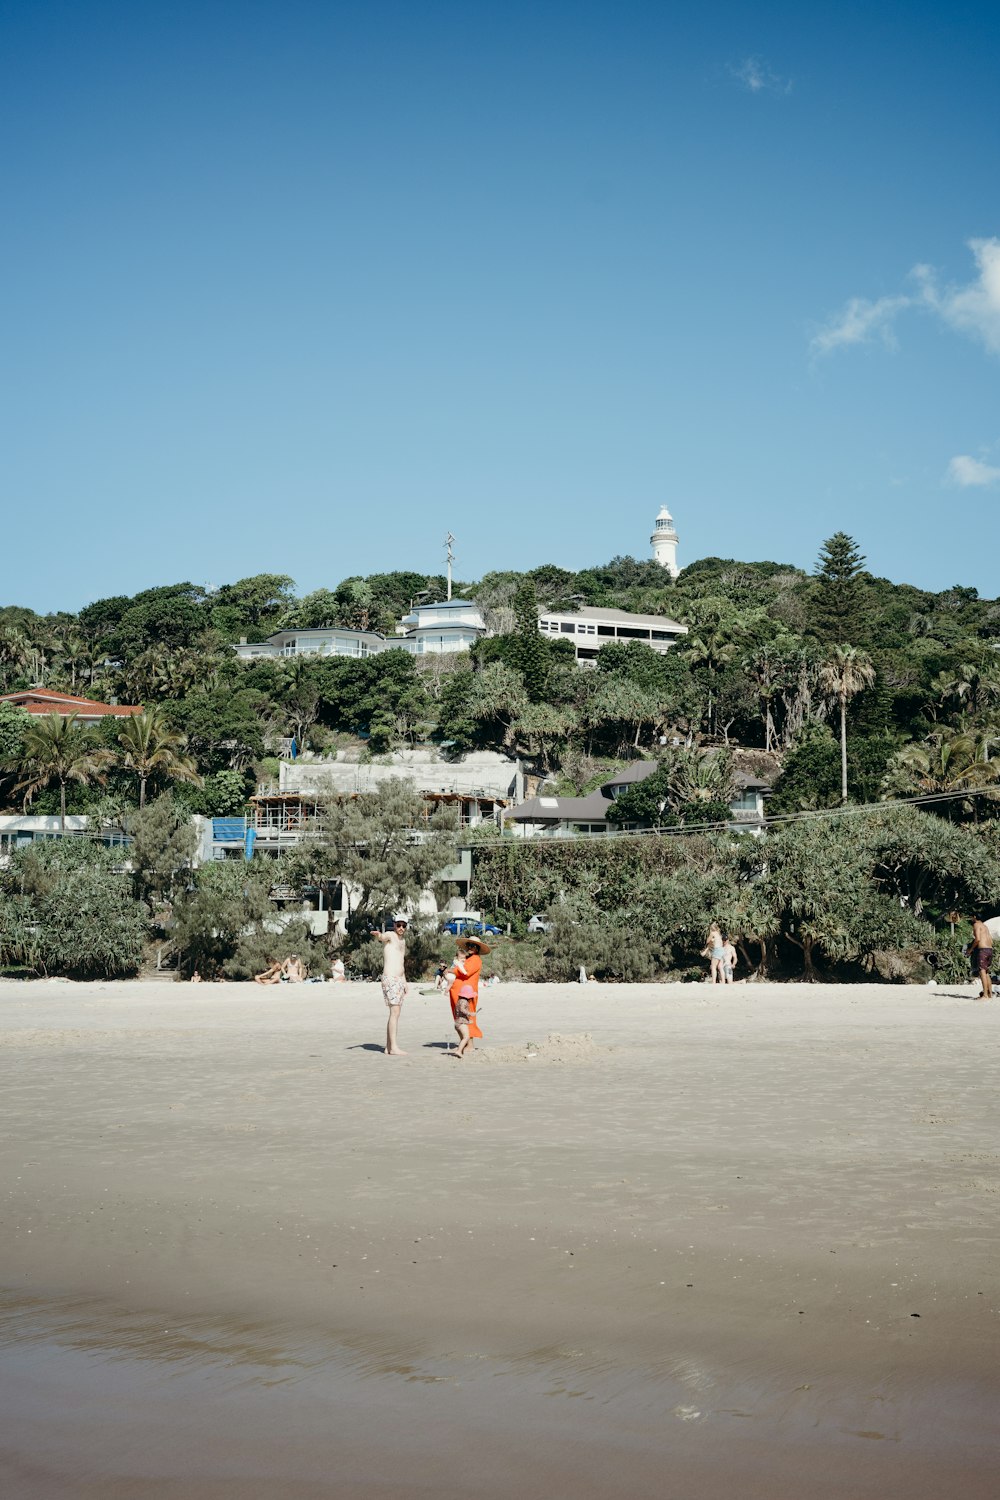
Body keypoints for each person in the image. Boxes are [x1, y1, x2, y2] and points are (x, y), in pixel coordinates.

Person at [371, 916, 409, 1055]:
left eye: (403, 926)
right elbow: (383, 937)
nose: (401, 928)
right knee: (395, 1012)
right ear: (394, 925)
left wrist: (404, 981)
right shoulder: (391, 936)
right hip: (390, 978)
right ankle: (393, 1047)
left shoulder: (402, 941)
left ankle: (388, 1047)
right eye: (399, 925)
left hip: (399, 979)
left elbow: (401, 962)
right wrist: (378, 935)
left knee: (395, 1012)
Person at [448, 935, 489, 1057]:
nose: (470, 947)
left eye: (473, 946)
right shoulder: (468, 958)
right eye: (469, 945)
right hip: (460, 992)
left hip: (467, 994)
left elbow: (466, 973)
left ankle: (469, 1045)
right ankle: (465, 1043)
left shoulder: (475, 959)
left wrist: (452, 971)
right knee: (461, 1017)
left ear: (477, 948)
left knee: (467, 1017)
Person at [968, 914, 994, 1000]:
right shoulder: (985, 926)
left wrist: (970, 949)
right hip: (989, 949)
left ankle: (985, 995)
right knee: (986, 972)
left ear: (975, 917)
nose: (971, 918)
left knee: (982, 971)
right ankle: (990, 994)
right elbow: (990, 939)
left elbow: (978, 939)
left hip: (983, 950)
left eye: (971, 917)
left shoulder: (976, 925)